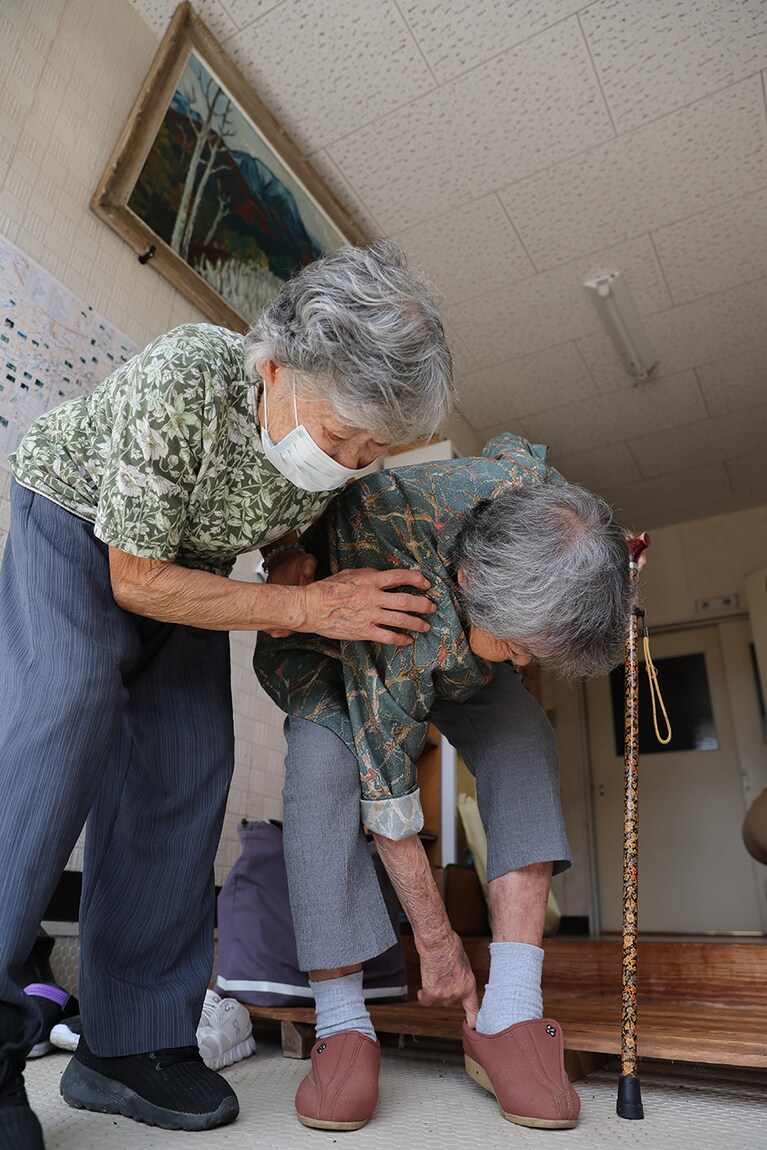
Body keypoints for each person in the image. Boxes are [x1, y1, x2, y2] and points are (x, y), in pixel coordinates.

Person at [0, 242, 455, 1149]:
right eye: (339, 440)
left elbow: (292, 522)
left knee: (189, 765)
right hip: (79, 526)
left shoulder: (331, 445)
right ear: (275, 364)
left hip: (192, 568)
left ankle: (128, 1046)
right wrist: (304, 601)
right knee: (65, 710)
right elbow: (134, 577)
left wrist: (292, 561)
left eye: (373, 450)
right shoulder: (185, 376)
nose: (352, 461)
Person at [254, 433, 632, 1132]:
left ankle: (510, 1014)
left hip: (461, 645)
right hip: (338, 646)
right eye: (521, 647)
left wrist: (606, 572)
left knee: (522, 737)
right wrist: (437, 941)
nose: (525, 659)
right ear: (468, 582)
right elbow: (387, 786)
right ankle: (342, 1026)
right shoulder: (391, 558)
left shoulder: (526, 499)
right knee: (323, 766)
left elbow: (515, 447)